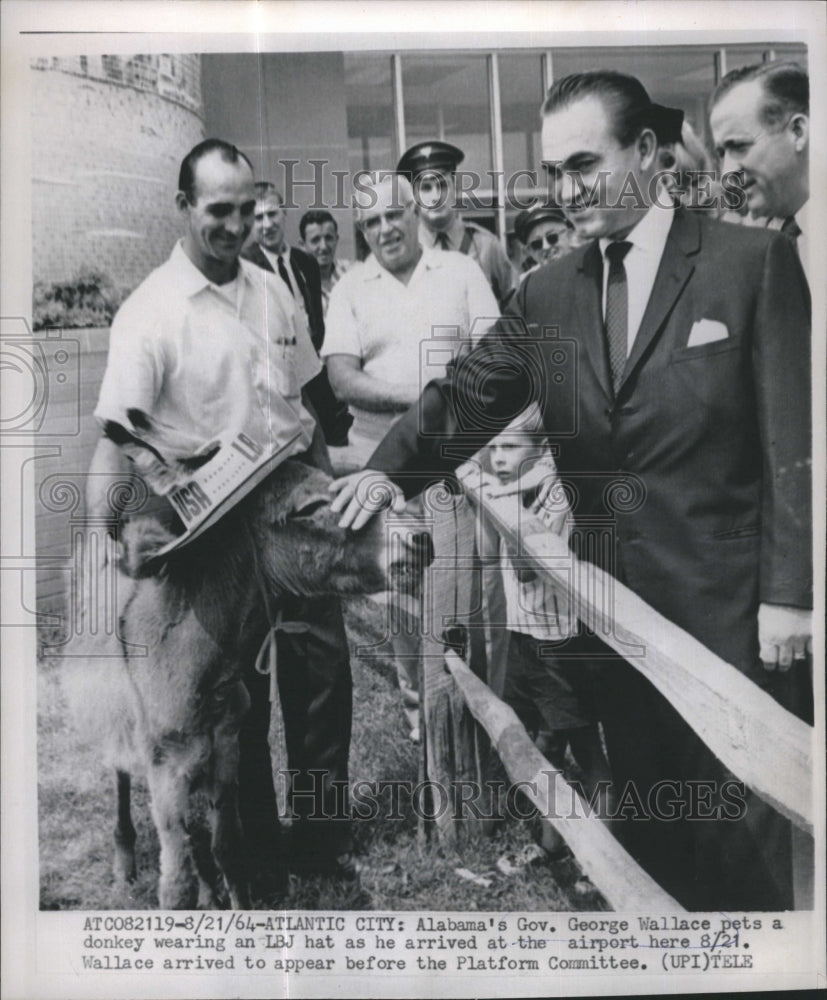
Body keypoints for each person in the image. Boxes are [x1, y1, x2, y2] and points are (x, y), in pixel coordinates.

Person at [331, 70, 812, 911]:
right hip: (613, 621)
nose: (566, 187)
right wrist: (382, 470)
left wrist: (788, 597)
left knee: (750, 860)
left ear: (649, 153)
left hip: (731, 626)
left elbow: (792, 447)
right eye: (553, 170)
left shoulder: (751, 263)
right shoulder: (549, 292)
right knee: (652, 842)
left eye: (584, 163)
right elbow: (469, 395)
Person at [87, 139, 357, 893]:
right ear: (183, 209)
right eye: (218, 211)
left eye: (246, 209)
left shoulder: (272, 290)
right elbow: (116, 436)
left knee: (322, 673)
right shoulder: (152, 311)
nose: (236, 226)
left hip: (292, 513)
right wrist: (122, 527)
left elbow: (303, 407)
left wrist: (329, 506)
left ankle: (321, 840)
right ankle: (255, 852)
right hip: (213, 534)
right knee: (242, 696)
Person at [322, 172, 499, 742]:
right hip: (382, 465)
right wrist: (425, 399)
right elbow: (341, 378)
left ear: (414, 213)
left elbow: (497, 361)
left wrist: (442, 411)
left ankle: (478, 711)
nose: (383, 230)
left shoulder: (461, 271)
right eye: (369, 222)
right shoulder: (351, 287)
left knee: (469, 586)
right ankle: (421, 715)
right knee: (401, 595)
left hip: (461, 461)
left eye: (391, 215)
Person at [485, 412, 612, 798]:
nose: (498, 459)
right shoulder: (517, 490)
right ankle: (549, 844)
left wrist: (506, 504)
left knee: (586, 751)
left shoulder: (555, 494)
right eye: (493, 448)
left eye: (509, 447)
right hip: (523, 634)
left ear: (541, 452)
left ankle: (613, 843)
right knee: (540, 741)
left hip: (558, 643)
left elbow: (525, 571)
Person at [243, 183, 352, 447]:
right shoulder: (245, 266)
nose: (267, 224)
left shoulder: (306, 263)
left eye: (272, 214)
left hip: (314, 370)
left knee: (332, 440)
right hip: (278, 375)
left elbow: (315, 320)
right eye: (258, 218)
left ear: (284, 215)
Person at [709, 61, 809, 273]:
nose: (727, 172)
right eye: (721, 153)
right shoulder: (739, 240)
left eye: (739, 146)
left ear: (797, 132)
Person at [397, 140, 517, 307]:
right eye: (426, 188)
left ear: (456, 188)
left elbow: (516, 309)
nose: (436, 196)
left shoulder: (486, 246)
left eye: (443, 185)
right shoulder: (406, 252)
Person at [299, 209, 353, 316]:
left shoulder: (353, 273)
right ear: (302, 245)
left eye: (328, 238)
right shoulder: (295, 284)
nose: (323, 247)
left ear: (336, 240)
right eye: (315, 240)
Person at [513, 200, 580, 276]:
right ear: (529, 251)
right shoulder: (529, 283)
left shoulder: (591, 269)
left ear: (570, 235)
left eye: (552, 238)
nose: (546, 247)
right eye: (537, 244)